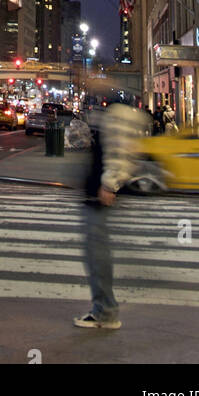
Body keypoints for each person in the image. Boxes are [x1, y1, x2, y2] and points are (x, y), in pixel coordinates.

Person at [74, 98, 144, 331]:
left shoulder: (116, 109)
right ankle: (104, 309)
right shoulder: (107, 107)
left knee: (98, 254)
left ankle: (105, 311)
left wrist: (110, 184)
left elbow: (120, 147)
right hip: (95, 194)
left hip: (100, 195)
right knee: (96, 252)